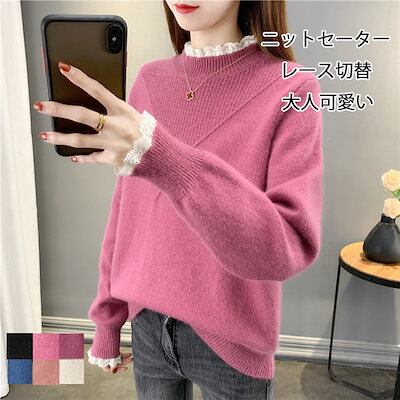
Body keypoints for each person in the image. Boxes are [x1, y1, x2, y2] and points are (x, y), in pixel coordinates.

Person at [33, 1, 323, 398]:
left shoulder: (293, 88)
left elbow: (285, 249)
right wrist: (108, 320)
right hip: (147, 325)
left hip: (231, 340)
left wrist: (163, 157)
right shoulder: (150, 80)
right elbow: (126, 215)